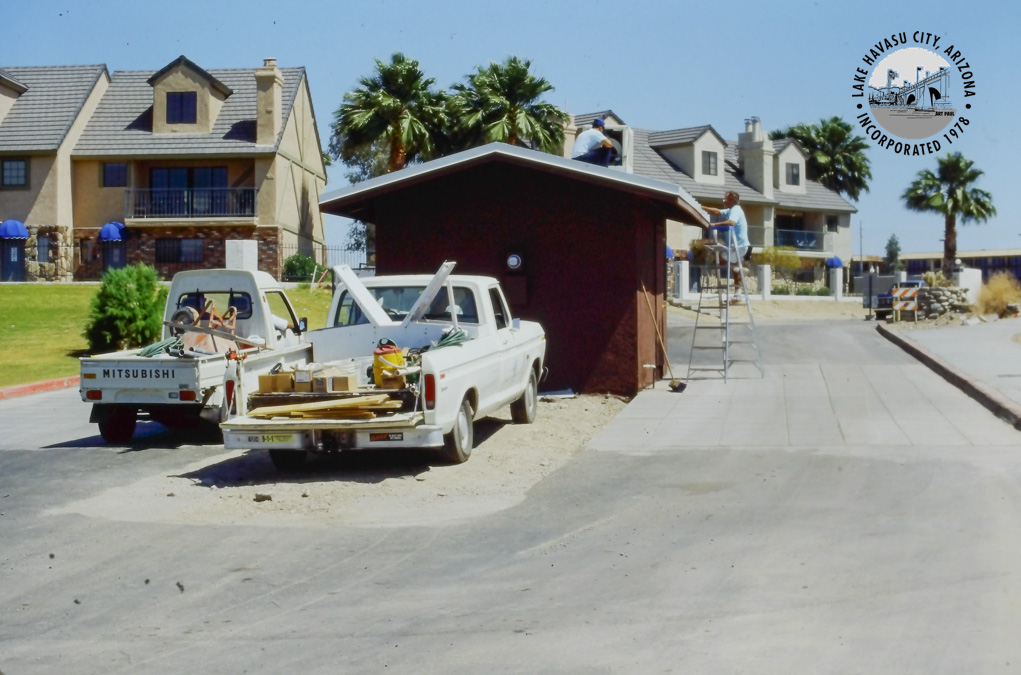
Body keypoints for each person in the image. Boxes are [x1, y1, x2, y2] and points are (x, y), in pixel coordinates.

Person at [702, 190, 750, 297]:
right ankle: (738, 293)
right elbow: (717, 212)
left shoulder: (736, 210)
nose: (724, 201)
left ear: (732, 200)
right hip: (740, 246)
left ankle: (738, 269)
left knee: (717, 258)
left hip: (738, 246)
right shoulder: (731, 210)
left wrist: (715, 224)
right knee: (735, 269)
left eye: (726, 199)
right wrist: (702, 208)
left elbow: (731, 222)